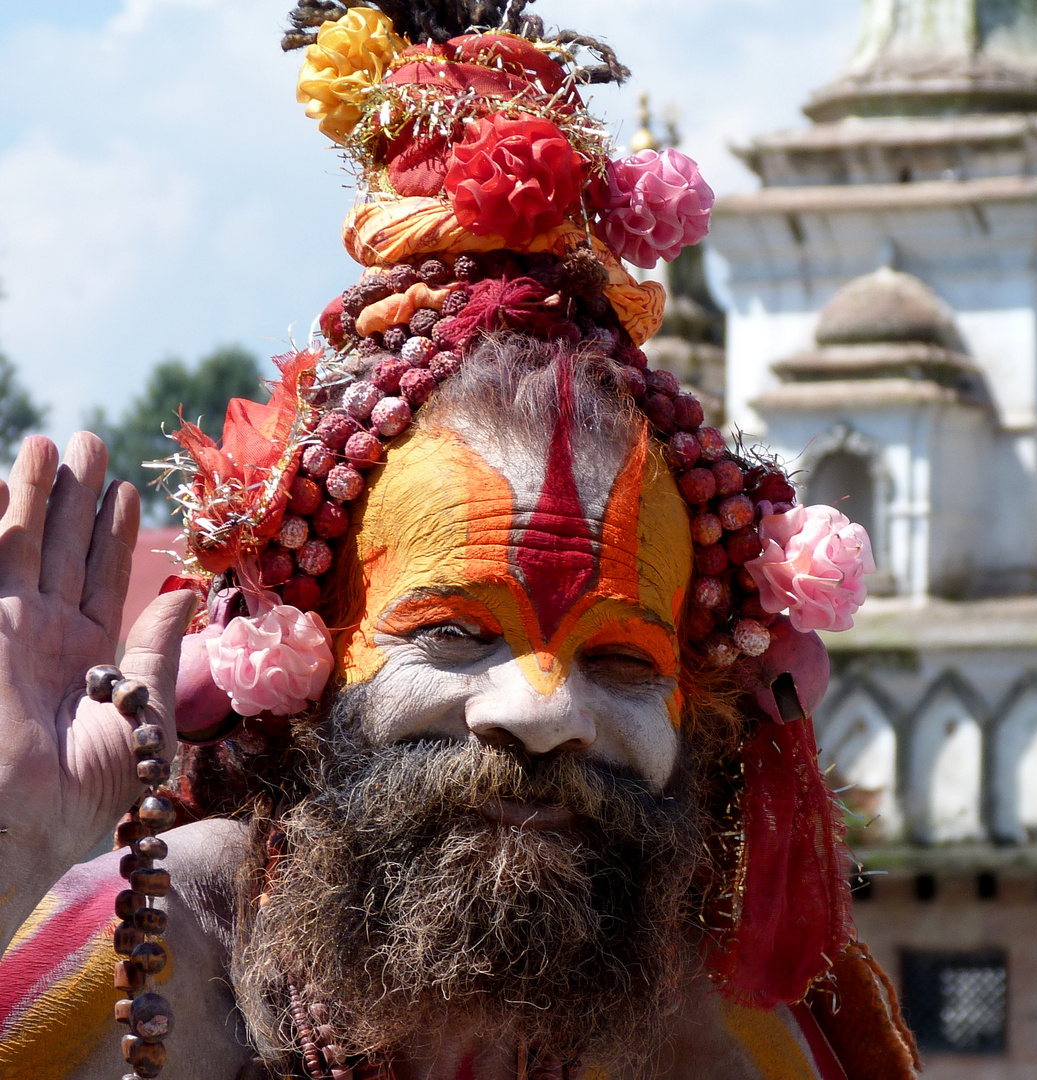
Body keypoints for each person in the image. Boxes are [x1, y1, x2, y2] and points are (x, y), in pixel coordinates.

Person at [0, 4, 920, 1080]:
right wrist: (16, 848)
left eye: (622, 659)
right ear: (308, 671)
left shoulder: (710, 1032)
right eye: (451, 634)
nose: (541, 713)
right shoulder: (157, 951)